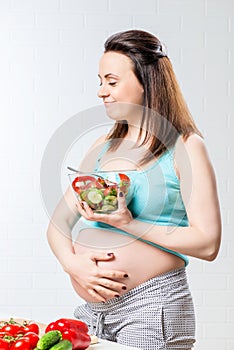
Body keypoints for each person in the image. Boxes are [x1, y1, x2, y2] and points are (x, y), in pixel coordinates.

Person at [46, 29, 221, 350]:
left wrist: (127, 223)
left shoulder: (186, 146)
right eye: (100, 81)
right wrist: (74, 266)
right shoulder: (103, 146)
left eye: (112, 82)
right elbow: (58, 226)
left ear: (147, 82)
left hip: (153, 308)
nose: (101, 92)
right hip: (93, 314)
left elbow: (208, 244)